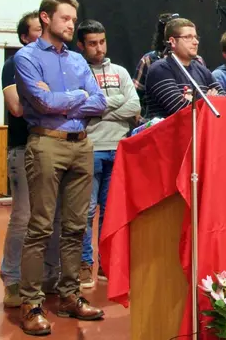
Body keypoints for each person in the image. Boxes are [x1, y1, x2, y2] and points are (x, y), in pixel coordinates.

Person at [15, 0, 107, 335]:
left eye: (72, 19)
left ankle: (69, 296)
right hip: (46, 144)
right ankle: (31, 303)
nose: (71, 24)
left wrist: (68, 100)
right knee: (39, 228)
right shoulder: (26, 57)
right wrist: (78, 96)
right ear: (45, 18)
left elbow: (100, 102)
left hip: (81, 145)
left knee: (76, 227)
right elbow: (40, 100)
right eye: (65, 18)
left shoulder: (78, 60)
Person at [0, 11, 62, 307]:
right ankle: (12, 280)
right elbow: (17, 108)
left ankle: (49, 276)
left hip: (53, 147)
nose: (45, 32)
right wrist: (48, 97)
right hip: (24, 148)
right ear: (25, 37)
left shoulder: (59, 63)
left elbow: (76, 99)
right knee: (24, 217)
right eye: (39, 29)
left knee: (51, 218)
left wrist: (52, 97)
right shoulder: (13, 64)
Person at [77, 19, 140, 288]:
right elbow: (80, 108)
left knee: (111, 212)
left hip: (119, 149)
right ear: (81, 45)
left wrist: (100, 108)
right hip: (90, 149)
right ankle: (84, 264)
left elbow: (135, 105)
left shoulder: (121, 72)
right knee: (86, 211)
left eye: (101, 42)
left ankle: (106, 264)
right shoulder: (77, 71)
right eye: (92, 43)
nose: (99, 48)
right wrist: (114, 104)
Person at [144, 18, 226, 119]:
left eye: (196, 37)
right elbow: (180, 109)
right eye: (188, 37)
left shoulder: (201, 69)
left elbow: (225, 101)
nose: (196, 42)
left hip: (201, 130)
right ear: (172, 42)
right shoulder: (160, 69)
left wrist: (194, 99)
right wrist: (208, 99)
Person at [133, 13, 205, 120]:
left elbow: (215, 95)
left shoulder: (197, 61)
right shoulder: (150, 60)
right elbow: (135, 99)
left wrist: (198, 100)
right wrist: (144, 124)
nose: (195, 42)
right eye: (187, 37)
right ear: (170, 39)